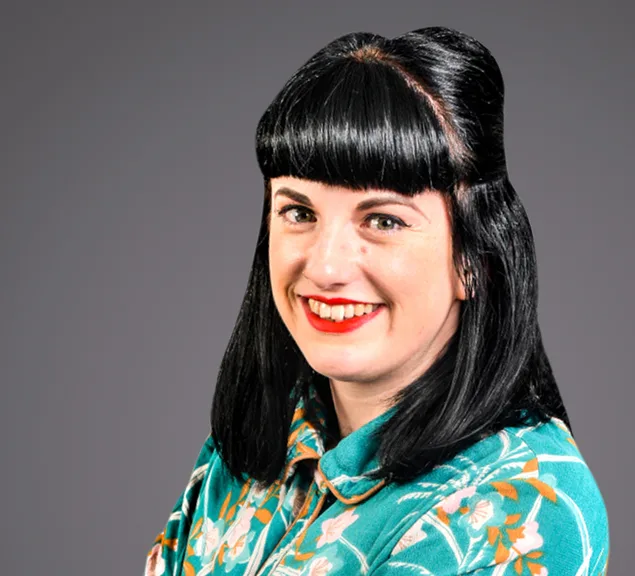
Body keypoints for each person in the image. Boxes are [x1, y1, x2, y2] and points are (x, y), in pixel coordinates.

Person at [144, 26, 609, 576]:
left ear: (474, 260)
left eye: (383, 220)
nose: (325, 267)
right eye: (299, 212)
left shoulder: (525, 503)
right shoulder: (253, 447)